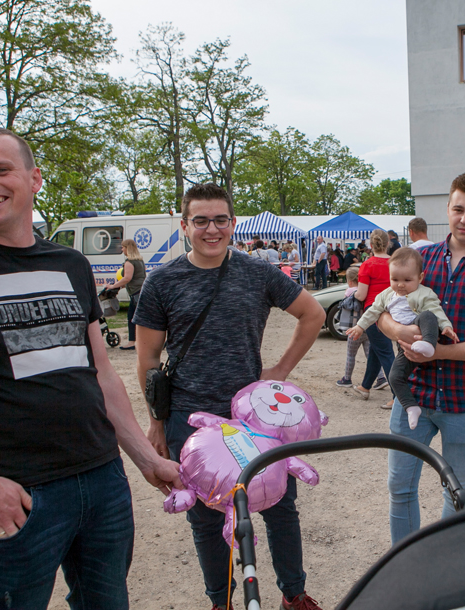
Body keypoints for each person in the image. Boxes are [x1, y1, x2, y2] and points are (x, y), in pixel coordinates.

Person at [0, 127, 181, 610]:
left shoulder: (70, 263)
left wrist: (144, 458)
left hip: (103, 481)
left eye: (0, 169)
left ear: (34, 179)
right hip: (16, 495)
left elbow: (101, 373)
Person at [134, 183, 327, 610]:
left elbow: (313, 314)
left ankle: (294, 595)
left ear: (233, 223)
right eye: (201, 220)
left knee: (280, 508)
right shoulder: (162, 282)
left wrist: (279, 372)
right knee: (206, 519)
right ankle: (221, 603)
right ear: (184, 225)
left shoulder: (258, 272)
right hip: (190, 417)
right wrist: (155, 422)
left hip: (255, 418)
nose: (212, 229)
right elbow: (147, 360)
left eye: (220, 219)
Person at [377, 172, 465, 544]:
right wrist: (399, 331)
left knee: (456, 489)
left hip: (464, 399)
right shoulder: (419, 259)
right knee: (400, 486)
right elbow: (381, 311)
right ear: (447, 209)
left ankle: (445, 562)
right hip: (413, 395)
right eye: (458, 209)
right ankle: (406, 562)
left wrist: (439, 352)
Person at [347, 247, 458, 429]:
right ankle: (411, 407)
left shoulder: (424, 293)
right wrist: (360, 326)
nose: (400, 285)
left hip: (423, 332)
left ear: (420, 277)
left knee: (428, 315)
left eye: (407, 280)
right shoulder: (386, 295)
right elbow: (373, 311)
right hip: (405, 346)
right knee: (394, 376)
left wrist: (446, 326)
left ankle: (428, 345)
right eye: (395, 279)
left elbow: (437, 311)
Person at [351, 229, 396, 403]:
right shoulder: (395, 263)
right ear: (388, 243)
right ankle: (365, 386)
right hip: (394, 310)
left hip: (374, 312)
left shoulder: (367, 265)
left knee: (385, 352)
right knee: (378, 350)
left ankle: (398, 397)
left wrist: (353, 294)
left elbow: (361, 295)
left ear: (371, 245)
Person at [335, 266, 386, 389]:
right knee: (370, 355)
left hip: (354, 328)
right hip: (367, 328)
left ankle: (347, 379)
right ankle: (381, 378)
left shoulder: (349, 291)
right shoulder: (366, 291)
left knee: (351, 355)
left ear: (350, 281)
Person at [110, 238, 147, 350]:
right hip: (142, 291)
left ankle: (132, 342)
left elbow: (127, 278)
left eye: (123, 247)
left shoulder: (129, 262)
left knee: (132, 317)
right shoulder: (140, 261)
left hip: (136, 293)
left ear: (128, 248)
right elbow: (136, 278)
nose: (122, 249)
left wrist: (113, 286)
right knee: (142, 318)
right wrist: (120, 286)